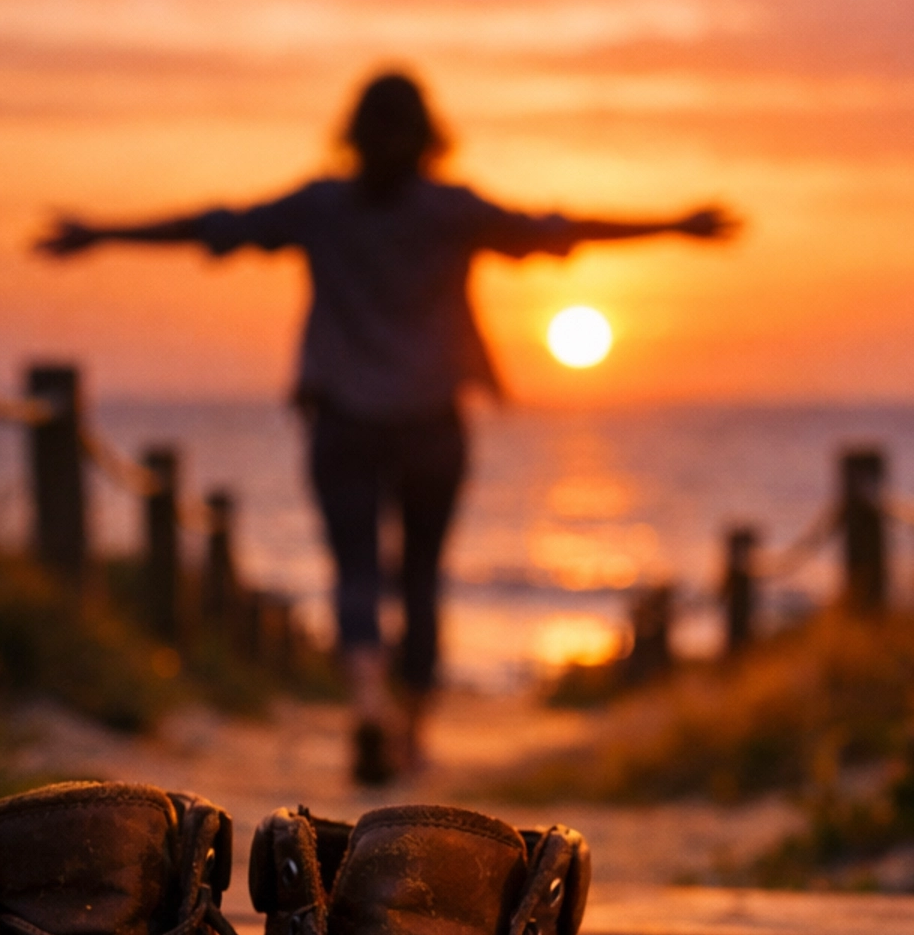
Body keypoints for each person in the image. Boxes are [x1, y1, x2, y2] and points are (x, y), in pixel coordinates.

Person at [38, 70, 736, 784]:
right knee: (423, 578)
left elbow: (214, 225)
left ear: (353, 134)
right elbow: (556, 228)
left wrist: (101, 232)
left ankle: (369, 704)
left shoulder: (322, 207)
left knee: (357, 573)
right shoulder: (449, 211)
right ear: (430, 137)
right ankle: (411, 732)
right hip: (432, 420)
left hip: (342, 418)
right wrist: (675, 226)